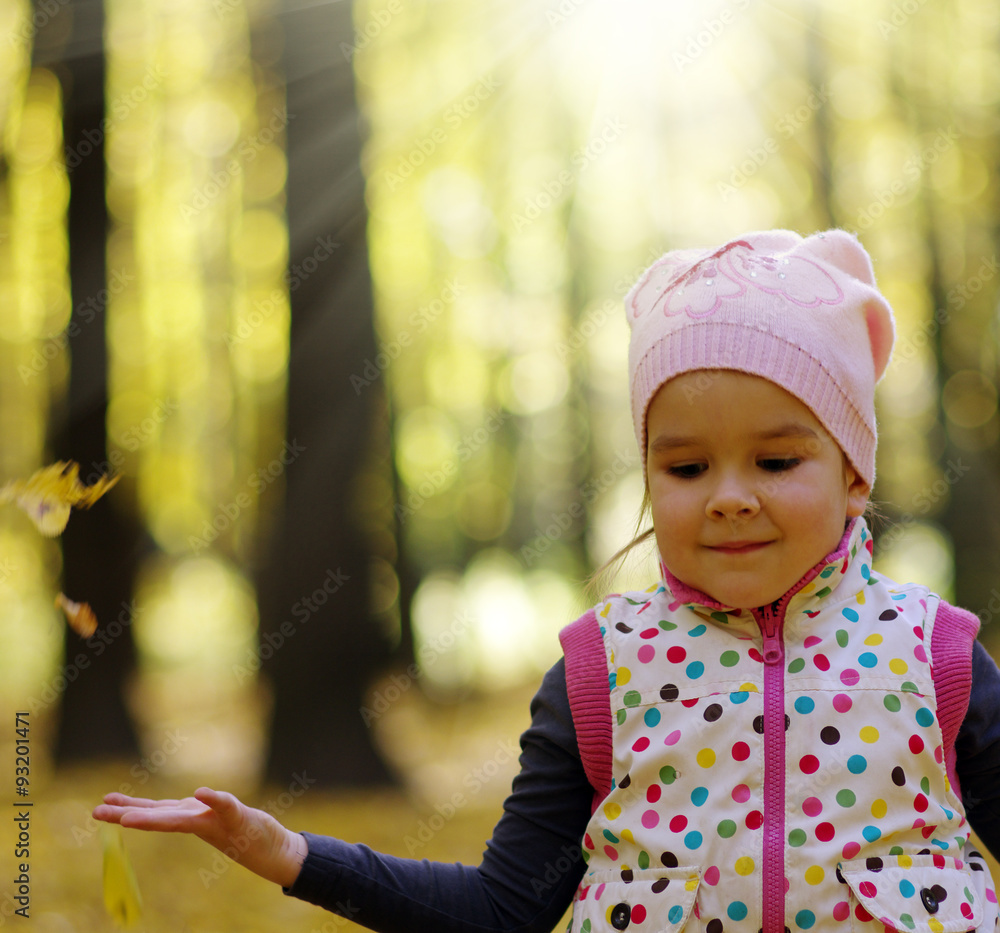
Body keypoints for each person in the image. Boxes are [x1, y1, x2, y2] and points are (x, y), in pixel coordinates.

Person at [95, 229, 1000, 933]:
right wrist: (291, 852)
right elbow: (503, 909)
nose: (728, 497)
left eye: (774, 459)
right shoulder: (603, 673)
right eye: (685, 468)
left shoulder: (937, 659)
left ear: (853, 473)